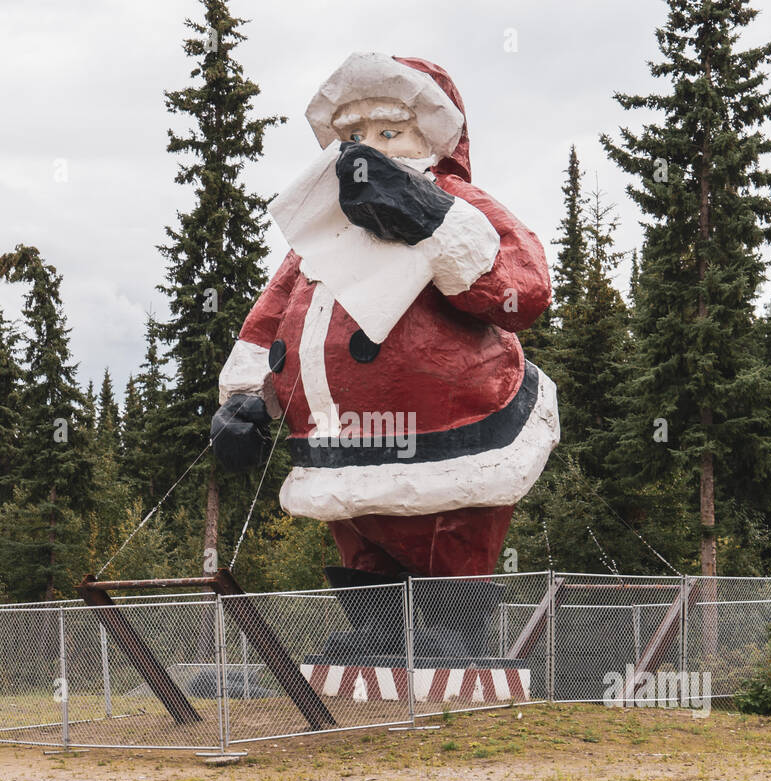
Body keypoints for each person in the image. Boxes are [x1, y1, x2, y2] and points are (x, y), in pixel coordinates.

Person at [213, 52, 559, 596]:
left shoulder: (453, 204)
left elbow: (523, 291)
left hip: (452, 435)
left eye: (389, 131)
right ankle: (372, 627)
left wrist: (427, 218)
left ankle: (456, 628)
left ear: (430, 138)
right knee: (360, 545)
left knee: (445, 535)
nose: (366, 147)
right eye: (353, 134)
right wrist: (242, 398)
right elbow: (269, 319)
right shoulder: (322, 231)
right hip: (334, 444)